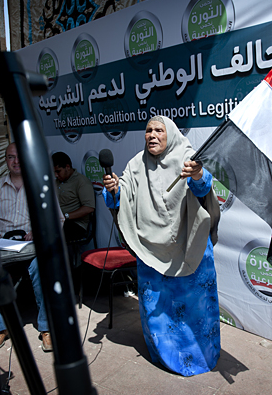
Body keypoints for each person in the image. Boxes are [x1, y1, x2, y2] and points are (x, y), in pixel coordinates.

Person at [102, 115, 221, 376]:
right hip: (151, 251)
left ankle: (200, 357)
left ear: (172, 134)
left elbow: (203, 190)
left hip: (191, 246)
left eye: (159, 130)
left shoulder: (188, 156)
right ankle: (164, 356)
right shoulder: (136, 164)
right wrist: (114, 190)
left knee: (195, 310)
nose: (152, 135)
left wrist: (198, 175)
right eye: (148, 130)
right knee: (158, 309)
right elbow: (122, 195)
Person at [0, 143, 64, 352]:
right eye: (11, 157)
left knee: (42, 268)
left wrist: (39, 231)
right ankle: (0, 328)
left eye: (20, 157)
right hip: (4, 247)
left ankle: (46, 328)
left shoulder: (40, 186)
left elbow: (58, 220)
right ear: (6, 160)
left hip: (32, 247)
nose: (16, 161)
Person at [51, 152, 95, 243]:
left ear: (67, 167)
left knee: (52, 236)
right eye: (54, 172)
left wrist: (65, 216)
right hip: (58, 222)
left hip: (75, 224)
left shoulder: (81, 181)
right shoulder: (57, 182)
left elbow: (89, 208)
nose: (56, 175)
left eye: (58, 171)